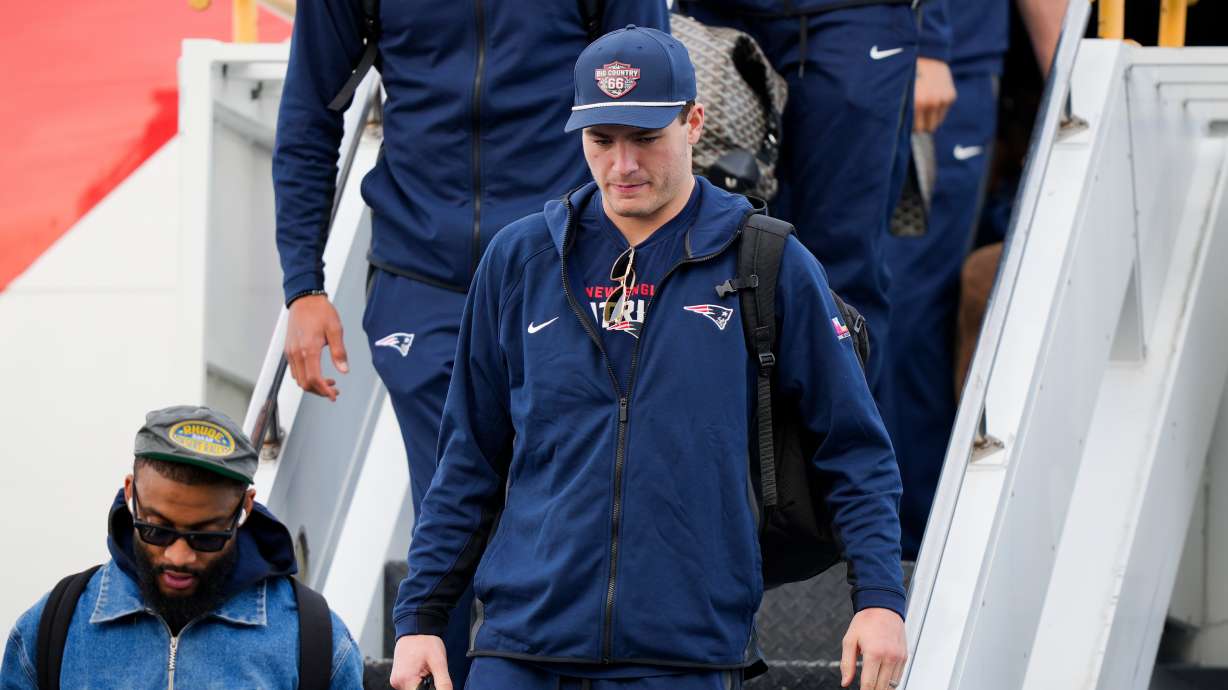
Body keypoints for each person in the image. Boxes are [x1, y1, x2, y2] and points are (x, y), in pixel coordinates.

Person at [387, 26, 907, 690]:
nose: (622, 166)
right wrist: (421, 616)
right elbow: (468, 461)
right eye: (602, 141)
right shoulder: (520, 261)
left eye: (645, 138)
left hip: (685, 655)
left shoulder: (769, 262)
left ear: (693, 123)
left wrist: (880, 601)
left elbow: (856, 450)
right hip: (521, 650)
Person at [273, 3, 669, 683]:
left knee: (565, 505)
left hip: (565, 261)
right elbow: (310, 110)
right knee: (447, 508)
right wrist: (303, 287)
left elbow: (654, 98)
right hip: (419, 275)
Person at [0, 405, 363, 689]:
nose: (178, 556)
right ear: (130, 494)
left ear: (245, 508)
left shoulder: (314, 640)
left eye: (206, 537)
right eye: (157, 530)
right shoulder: (53, 628)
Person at [883, 0, 1067, 558]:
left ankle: (911, 537)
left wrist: (1074, 79)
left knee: (909, 306)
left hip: (938, 68)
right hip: (813, 56)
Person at [677, 0, 922, 400]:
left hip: (854, 18)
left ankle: (845, 454)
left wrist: (935, 49)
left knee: (842, 269)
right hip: (715, 19)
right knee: (713, 259)